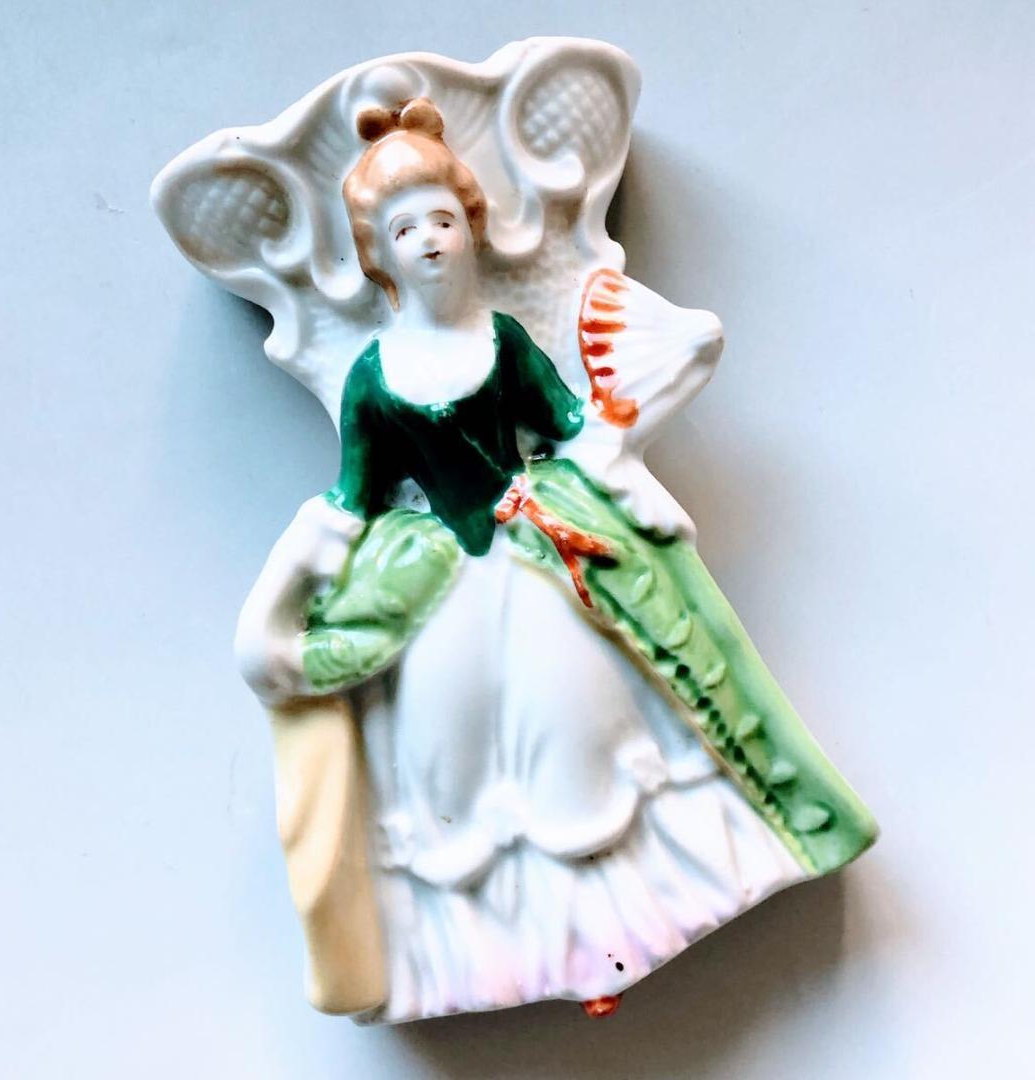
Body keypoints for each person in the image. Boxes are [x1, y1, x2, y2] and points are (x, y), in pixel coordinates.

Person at [236, 98, 875, 1024]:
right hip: (440, 578)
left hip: (543, 552)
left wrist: (629, 414)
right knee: (448, 764)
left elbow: (571, 427)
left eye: (442, 220)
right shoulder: (374, 377)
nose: (428, 241)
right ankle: (494, 959)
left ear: (472, 229)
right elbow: (357, 496)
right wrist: (293, 580)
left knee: (580, 724)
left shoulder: (503, 342)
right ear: (379, 256)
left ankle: (622, 938)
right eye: (404, 230)